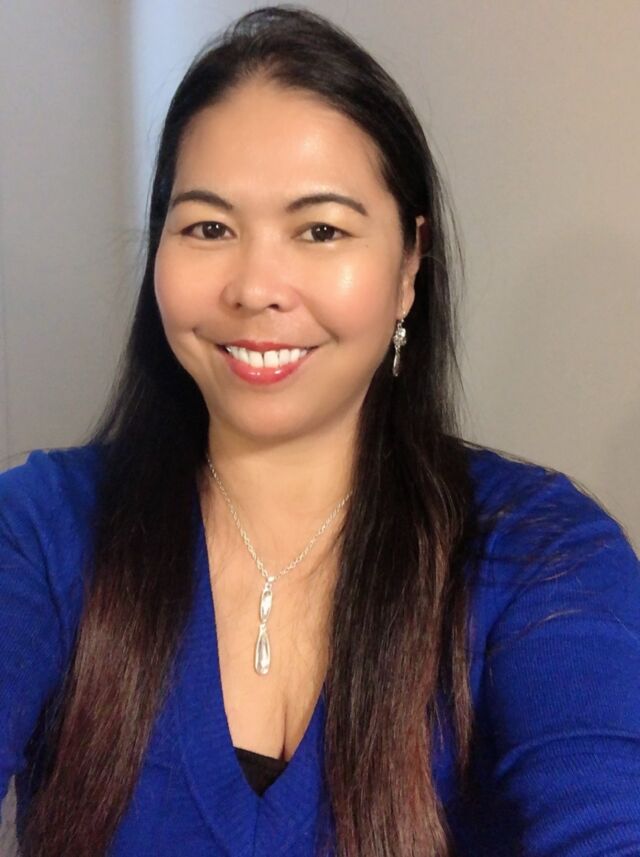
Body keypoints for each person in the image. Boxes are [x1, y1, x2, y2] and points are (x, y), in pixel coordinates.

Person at [1, 6, 639, 856]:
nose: (256, 286)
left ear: (409, 265)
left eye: (321, 230)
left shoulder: (538, 553)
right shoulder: (40, 529)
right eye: (209, 227)